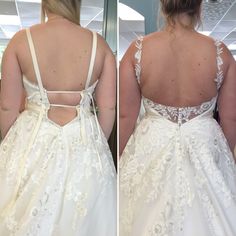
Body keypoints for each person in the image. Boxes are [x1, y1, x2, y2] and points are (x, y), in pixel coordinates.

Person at [119, 0, 236, 235]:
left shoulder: (138, 50)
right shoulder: (220, 52)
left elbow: (125, 116)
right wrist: (225, 159)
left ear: (163, 5)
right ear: (199, 6)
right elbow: (231, 119)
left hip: (150, 146)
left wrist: (120, 160)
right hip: (204, 144)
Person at [0, 0, 116, 235]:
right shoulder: (100, 45)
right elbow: (109, 109)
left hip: (32, 137)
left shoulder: (20, 42)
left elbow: (7, 108)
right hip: (83, 140)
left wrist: (14, 148)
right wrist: (95, 143)